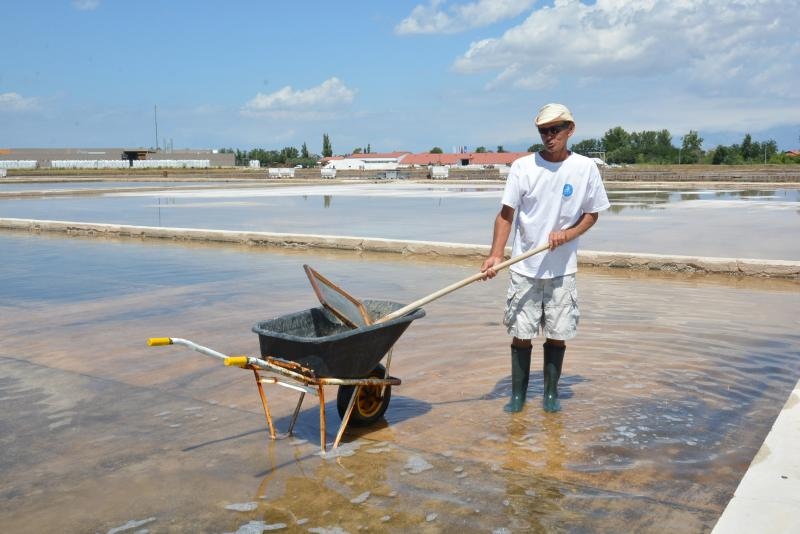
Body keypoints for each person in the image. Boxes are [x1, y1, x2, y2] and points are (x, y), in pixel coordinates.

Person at [480, 103, 610, 413]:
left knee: (557, 333)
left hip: (562, 270)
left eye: (555, 130)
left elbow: (592, 214)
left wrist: (569, 233)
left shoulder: (585, 168)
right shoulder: (523, 168)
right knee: (521, 334)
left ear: (570, 130)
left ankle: (550, 395)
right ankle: (518, 397)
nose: (549, 136)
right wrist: (496, 255)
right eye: (543, 131)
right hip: (524, 267)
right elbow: (506, 216)